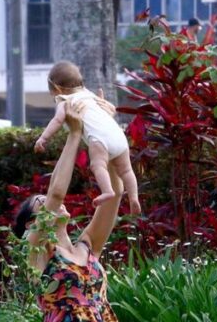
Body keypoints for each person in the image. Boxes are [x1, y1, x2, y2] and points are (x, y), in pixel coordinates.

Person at [14, 109, 176, 322]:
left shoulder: (87, 248)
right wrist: (74, 135)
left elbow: (112, 197)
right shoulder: (38, 252)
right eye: (42, 206)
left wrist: (105, 136)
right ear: (29, 225)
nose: (52, 205)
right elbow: (57, 193)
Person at [34, 61, 141, 215]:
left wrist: (43, 138)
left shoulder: (65, 101)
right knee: (126, 170)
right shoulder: (89, 95)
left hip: (99, 140)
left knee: (98, 165)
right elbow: (107, 107)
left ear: (57, 89)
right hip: (118, 135)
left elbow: (57, 121)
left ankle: (107, 191)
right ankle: (133, 197)